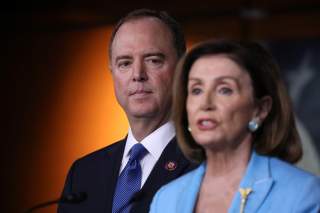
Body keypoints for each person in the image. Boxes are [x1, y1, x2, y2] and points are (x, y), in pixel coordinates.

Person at [150, 40, 320, 213]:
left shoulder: (304, 193)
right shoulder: (165, 199)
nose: (205, 104)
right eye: (196, 90)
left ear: (260, 109)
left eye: (224, 90)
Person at [58, 9, 196, 213]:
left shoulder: (206, 163)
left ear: (182, 68)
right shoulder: (84, 173)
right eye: (125, 63)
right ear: (112, 72)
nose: (138, 74)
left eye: (153, 60)